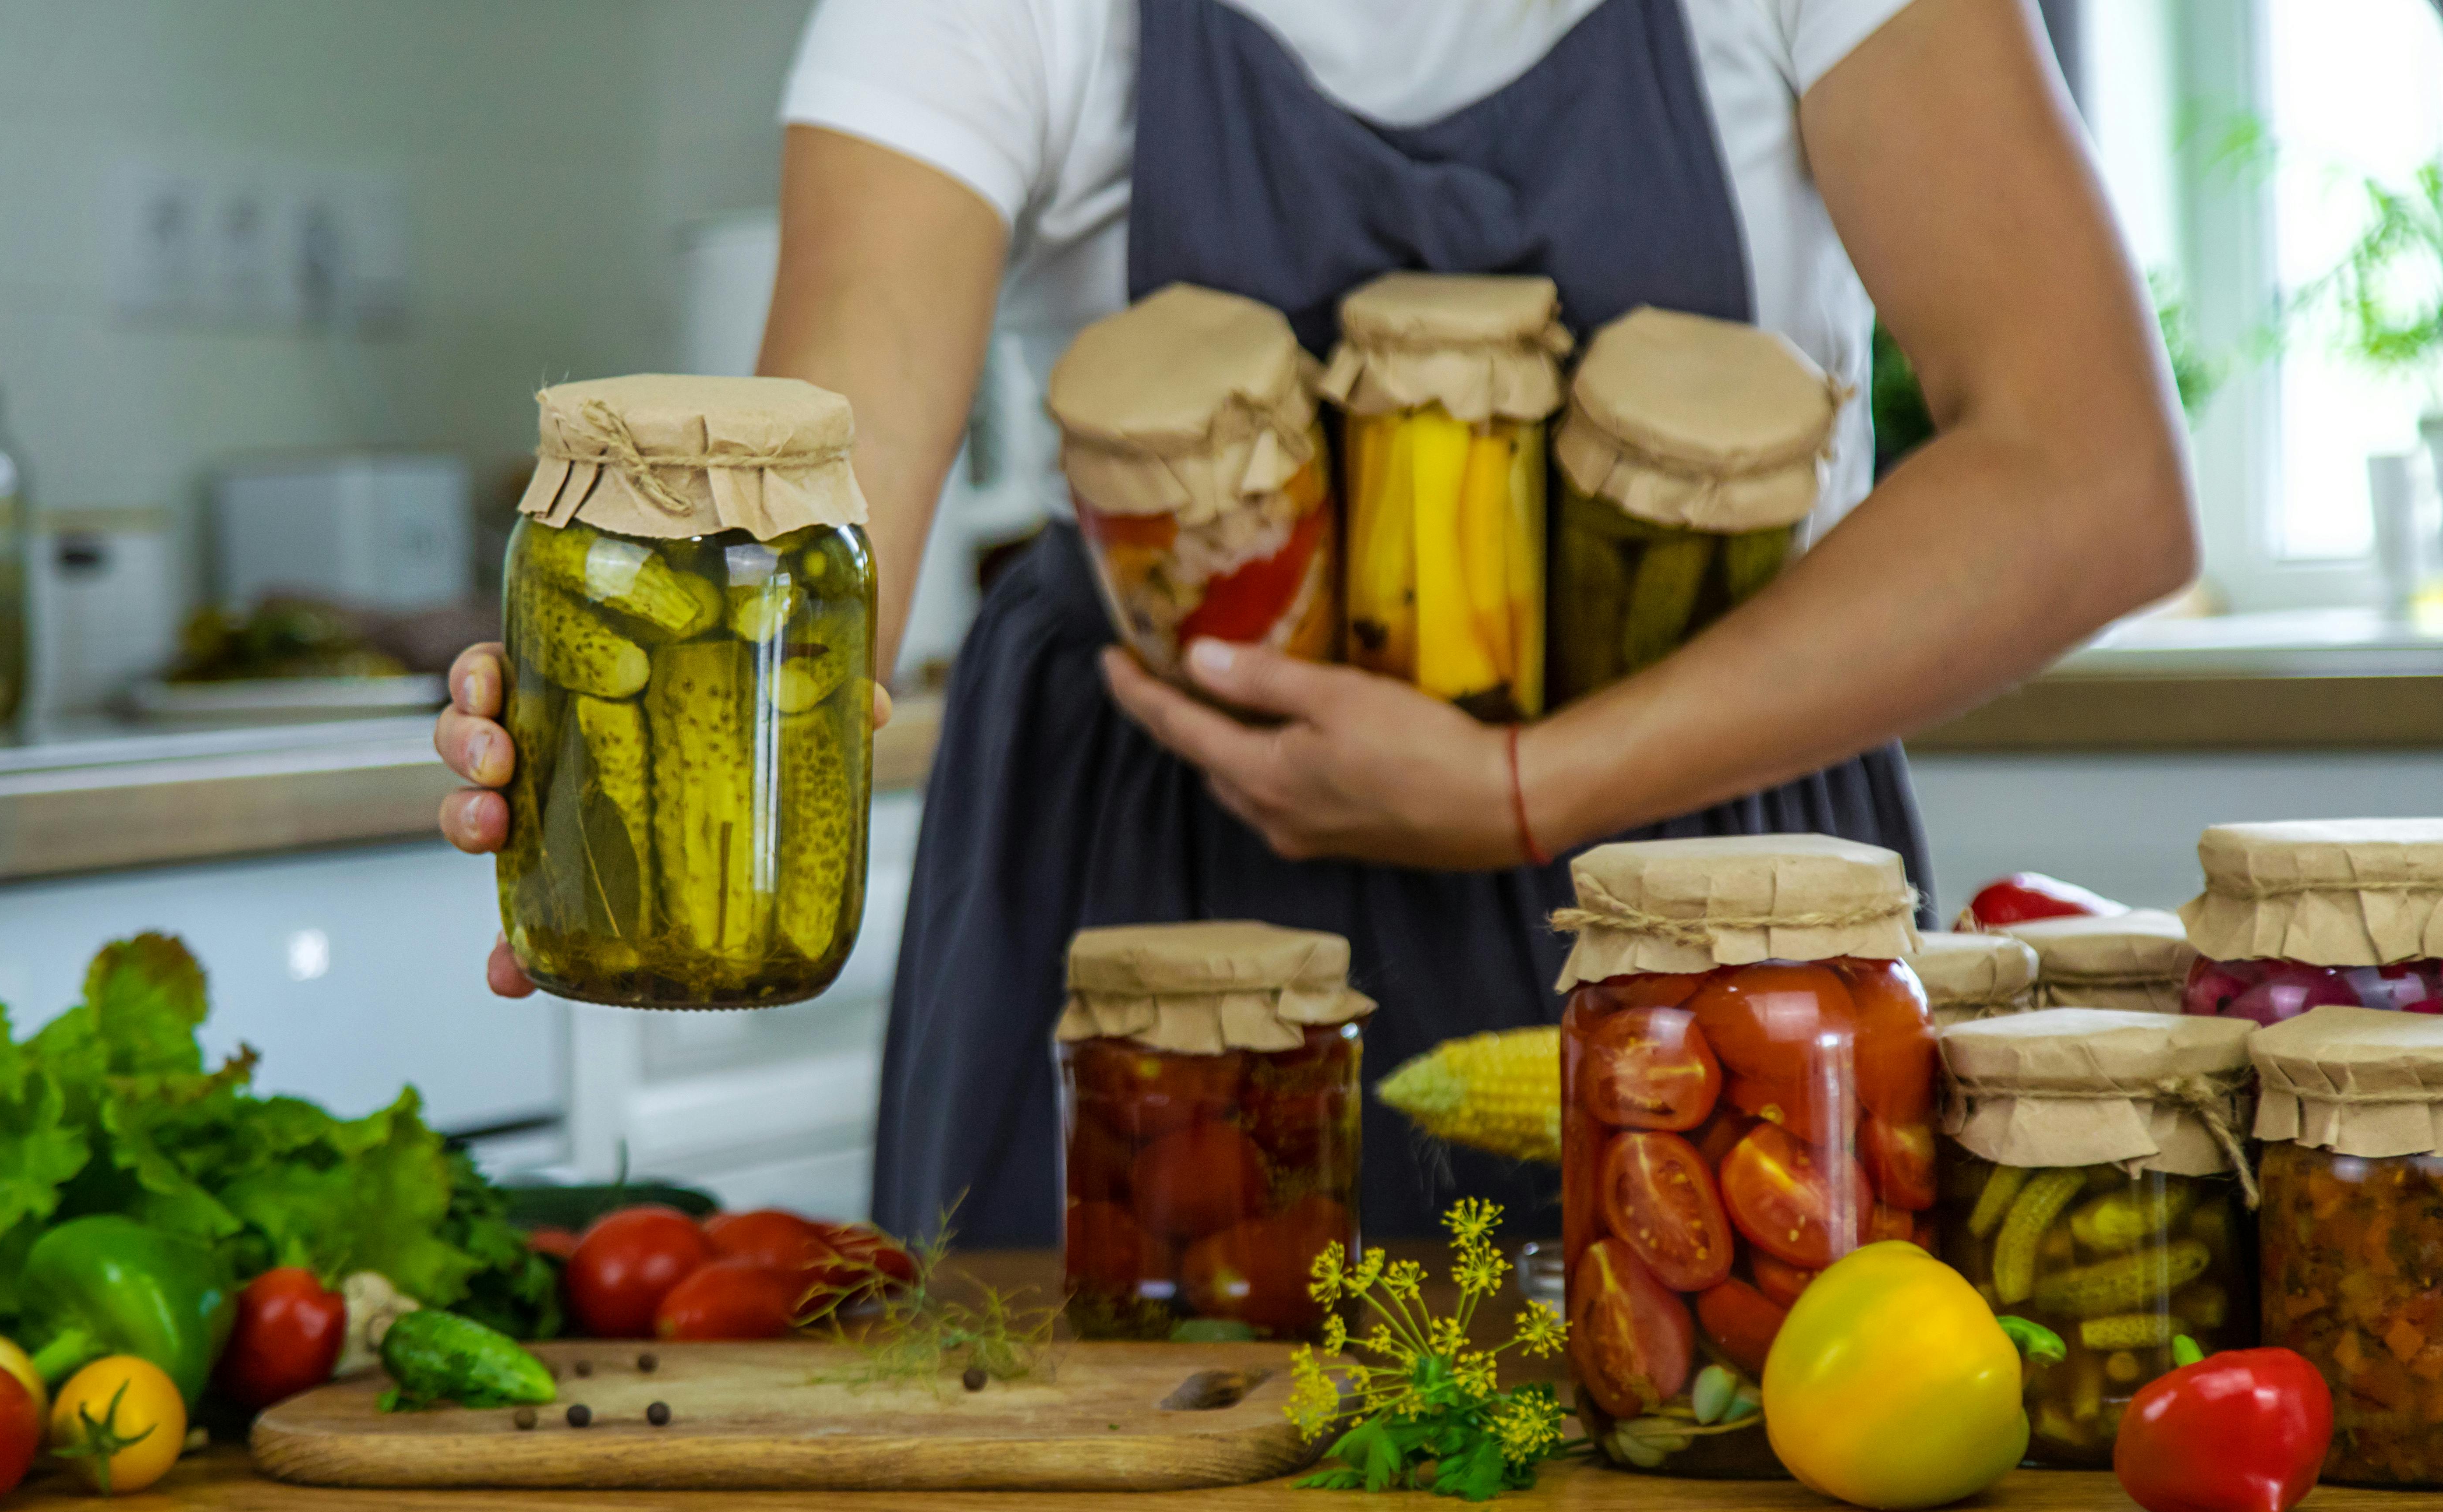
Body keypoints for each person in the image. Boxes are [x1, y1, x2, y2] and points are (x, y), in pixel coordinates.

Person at [435, 0, 2196, 1246]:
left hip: (1695, 901)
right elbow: (816, 499)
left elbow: (2086, 472)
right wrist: (650, 760)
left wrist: (1526, 786)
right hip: (1141, 939)